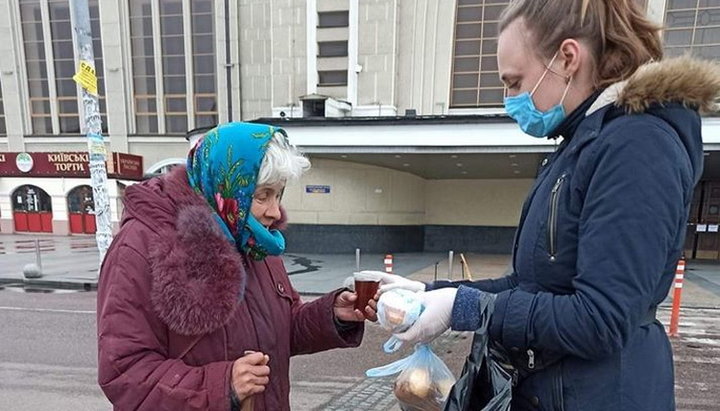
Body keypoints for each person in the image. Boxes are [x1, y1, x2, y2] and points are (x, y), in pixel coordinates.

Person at [370, 0, 720, 409]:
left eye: (515, 81)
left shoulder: (637, 145)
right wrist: (436, 293)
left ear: (568, 58)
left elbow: (601, 319)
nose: (509, 99)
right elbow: (532, 285)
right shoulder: (583, 143)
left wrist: (464, 307)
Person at [97, 122, 374, 411]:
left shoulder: (254, 241)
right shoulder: (140, 247)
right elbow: (124, 372)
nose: (275, 211)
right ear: (225, 186)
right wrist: (221, 385)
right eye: (262, 195)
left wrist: (333, 314)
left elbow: (282, 329)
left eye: (278, 194)